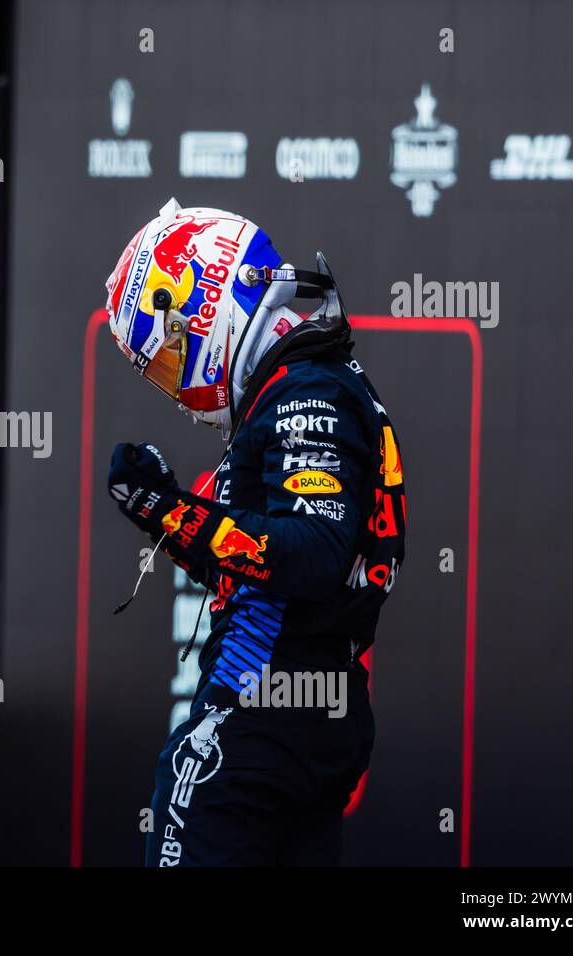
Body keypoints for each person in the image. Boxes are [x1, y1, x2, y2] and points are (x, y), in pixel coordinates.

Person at [102, 199, 407, 866]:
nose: (178, 385)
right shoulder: (308, 381)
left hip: (260, 712)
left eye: (172, 353)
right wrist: (162, 511)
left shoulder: (305, 393)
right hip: (311, 713)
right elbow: (265, 567)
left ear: (208, 306)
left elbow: (312, 553)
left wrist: (176, 513)